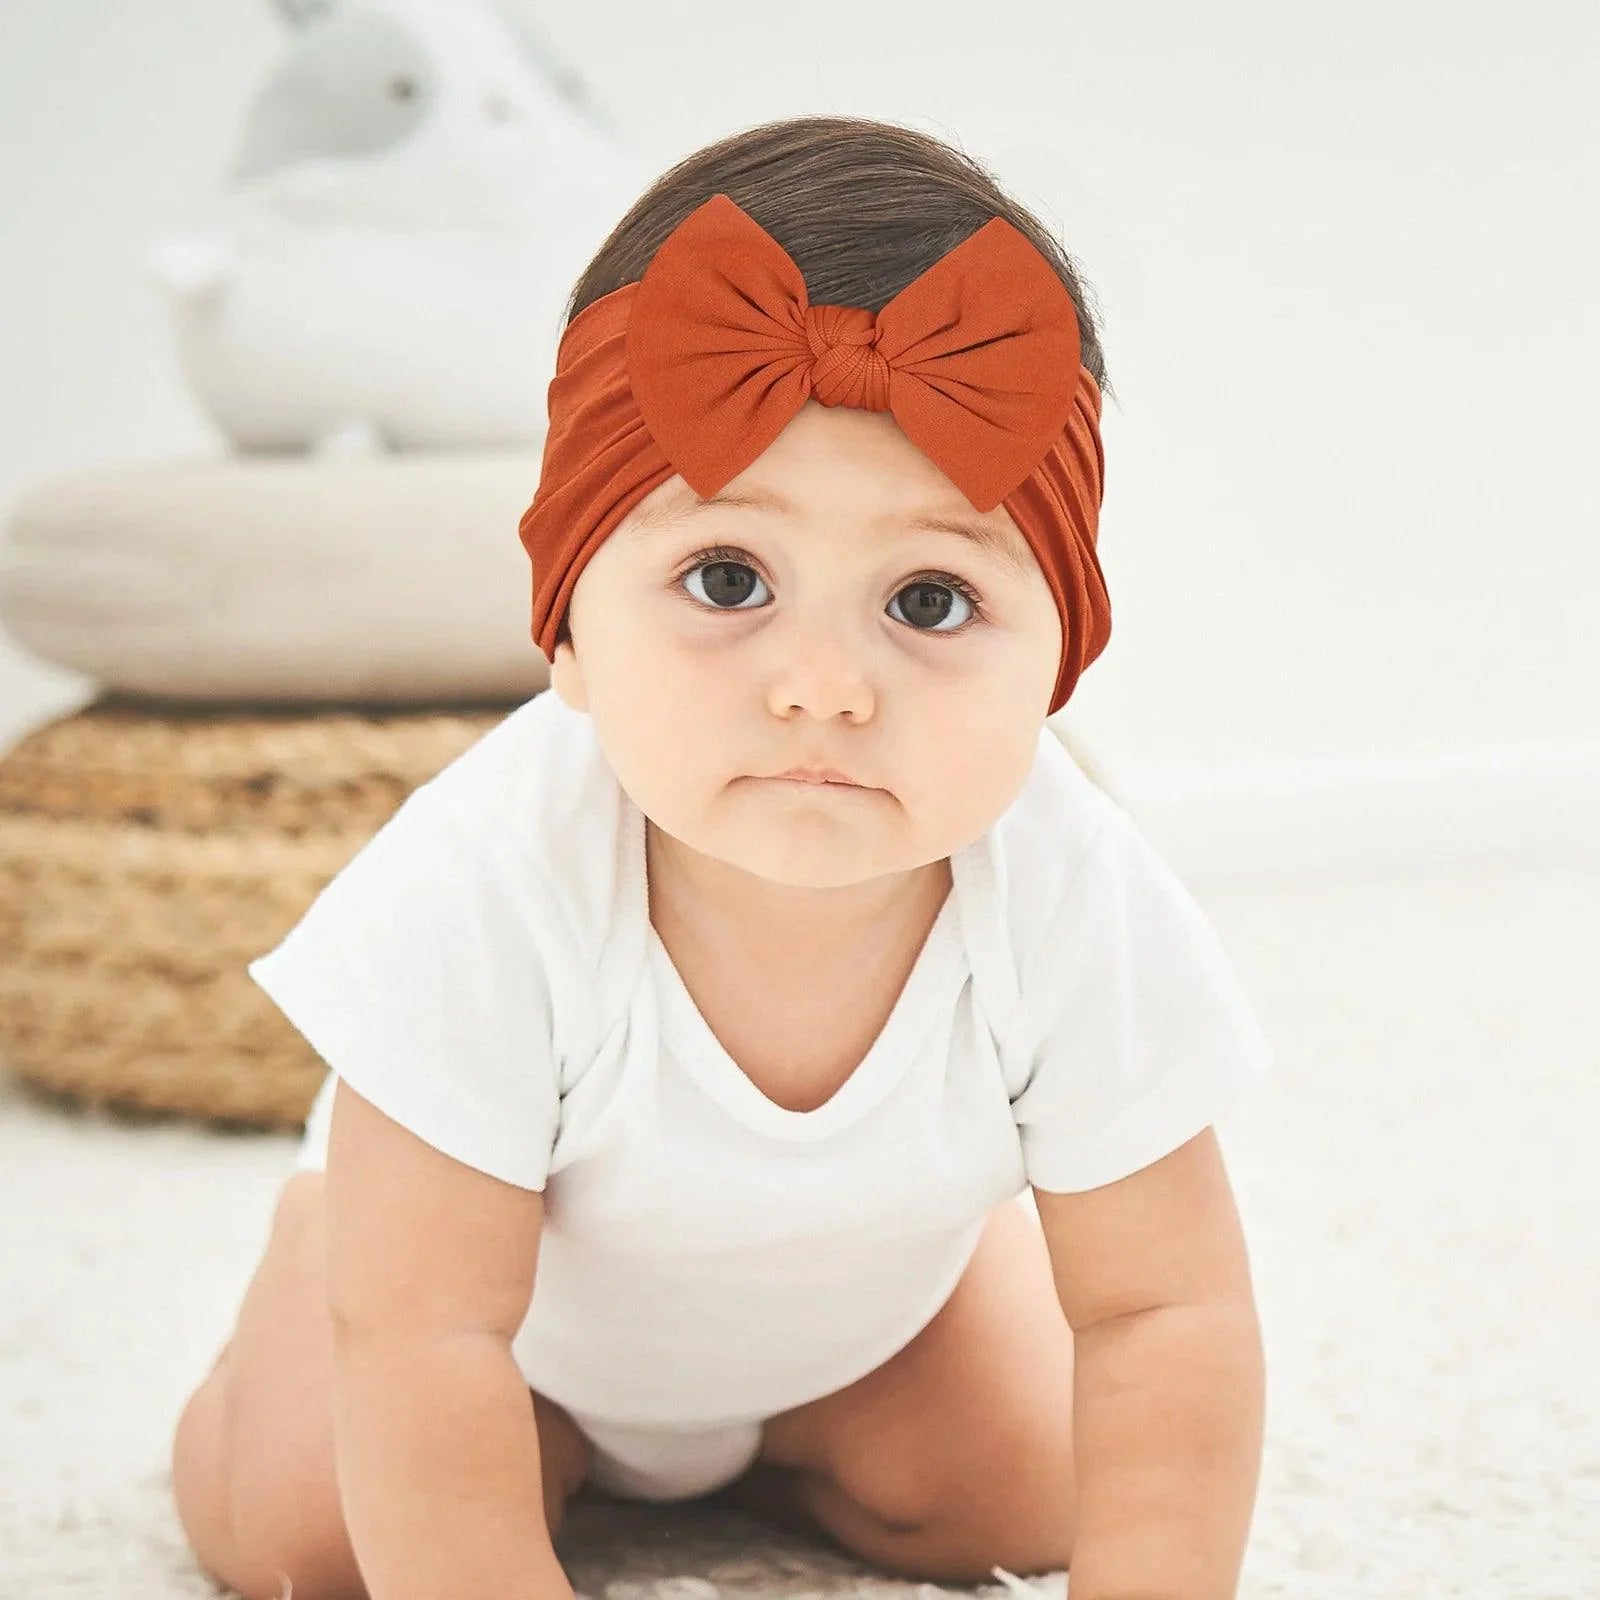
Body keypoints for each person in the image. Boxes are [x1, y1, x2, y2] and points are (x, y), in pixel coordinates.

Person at [170, 113, 1276, 1600]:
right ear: (568, 623)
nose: (823, 684)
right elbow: (429, 1328)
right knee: (302, 1534)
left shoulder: (1068, 890)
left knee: (1045, 1489)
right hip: (486, 1333)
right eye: (729, 578)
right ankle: (287, 1324)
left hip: (854, 1333)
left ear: (1060, 650)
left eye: (932, 601)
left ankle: (853, 1385)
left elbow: (1164, 1309)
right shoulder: (494, 875)